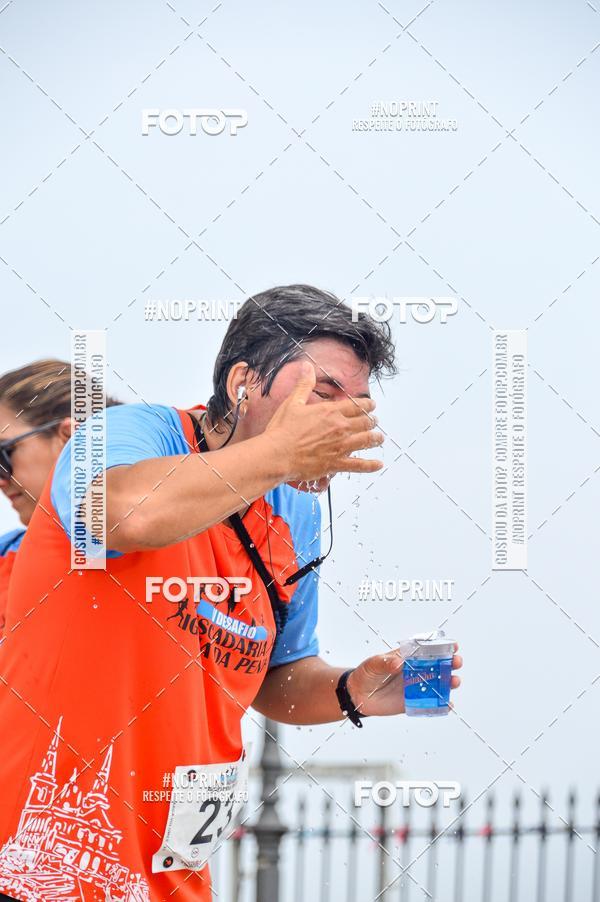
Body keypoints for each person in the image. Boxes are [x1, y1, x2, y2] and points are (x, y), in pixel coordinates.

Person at [0, 286, 462, 901]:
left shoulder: (294, 513)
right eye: (323, 395)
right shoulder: (135, 433)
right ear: (244, 381)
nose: (341, 423)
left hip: (172, 880)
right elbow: (121, 514)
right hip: (35, 869)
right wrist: (277, 453)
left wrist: (353, 689)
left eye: (357, 405)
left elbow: (277, 677)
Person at [0, 359, 119, 634]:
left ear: (69, 437)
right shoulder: (6, 558)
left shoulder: (184, 544)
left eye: (4, 455)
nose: (2, 479)